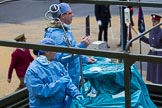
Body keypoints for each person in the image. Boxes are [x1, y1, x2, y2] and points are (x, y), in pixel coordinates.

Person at [44, 3, 96, 107]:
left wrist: (84, 58)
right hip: (65, 80)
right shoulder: (57, 35)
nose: (73, 15)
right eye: (70, 13)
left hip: (71, 78)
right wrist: (81, 46)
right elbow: (62, 58)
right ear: (62, 15)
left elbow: (70, 49)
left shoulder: (64, 30)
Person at [24, 38, 85, 108]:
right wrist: (59, 83)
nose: (56, 52)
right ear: (47, 51)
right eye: (54, 50)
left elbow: (68, 83)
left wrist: (76, 94)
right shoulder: (33, 70)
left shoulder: (58, 65)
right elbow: (39, 92)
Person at [140, 14, 162, 84]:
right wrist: (141, 37)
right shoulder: (151, 31)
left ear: (158, 22)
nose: (153, 23)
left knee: (158, 75)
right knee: (152, 74)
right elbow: (149, 41)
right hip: (152, 53)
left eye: (155, 21)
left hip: (159, 54)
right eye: (152, 21)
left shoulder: (161, 32)